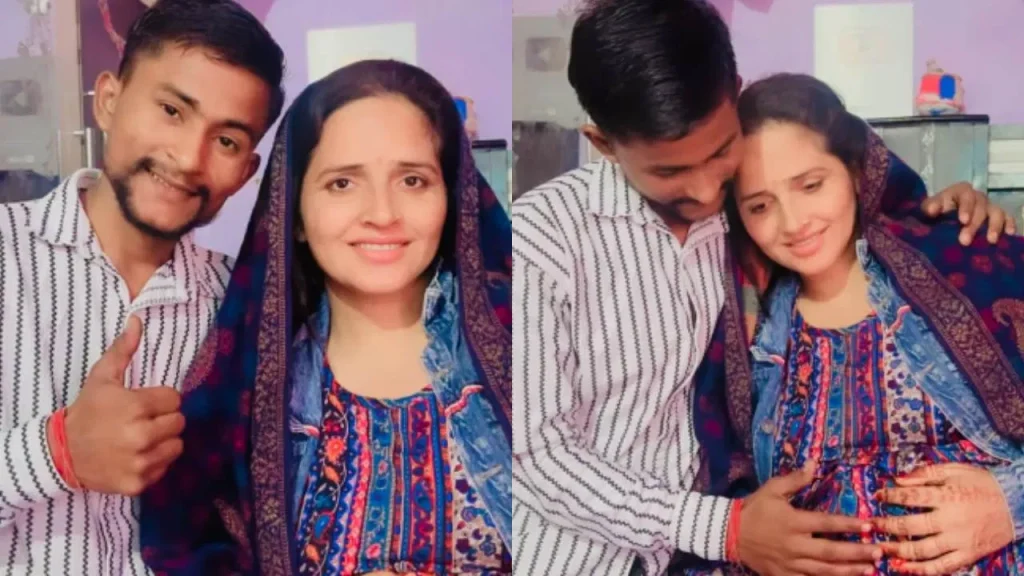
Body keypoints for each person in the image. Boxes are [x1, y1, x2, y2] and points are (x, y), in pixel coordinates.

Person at [511, 1, 1013, 575]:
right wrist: (727, 529)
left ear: (736, 95)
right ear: (602, 143)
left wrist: (959, 210)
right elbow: (534, 453)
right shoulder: (543, 238)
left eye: (721, 153)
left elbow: (872, 191)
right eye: (670, 173)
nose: (706, 192)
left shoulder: (759, 208)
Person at [138, 60, 512, 576]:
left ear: (452, 198)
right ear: (294, 214)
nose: (382, 213)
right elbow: (184, 548)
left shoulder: (529, 348)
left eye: (412, 180)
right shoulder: (240, 391)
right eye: (342, 184)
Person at [688, 73, 1024, 576]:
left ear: (855, 170)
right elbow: (726, 502)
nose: (793, 222)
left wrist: (1009, 505)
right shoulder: (742, 334)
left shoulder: (964, 261)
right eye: (759, 205)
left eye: (811, 185)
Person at [0, 1, 284, 573]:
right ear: (108, 100)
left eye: (227, 141)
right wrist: (56, 454)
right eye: (172, 110)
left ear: (247, 171)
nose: (188, 158)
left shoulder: (242, 307)